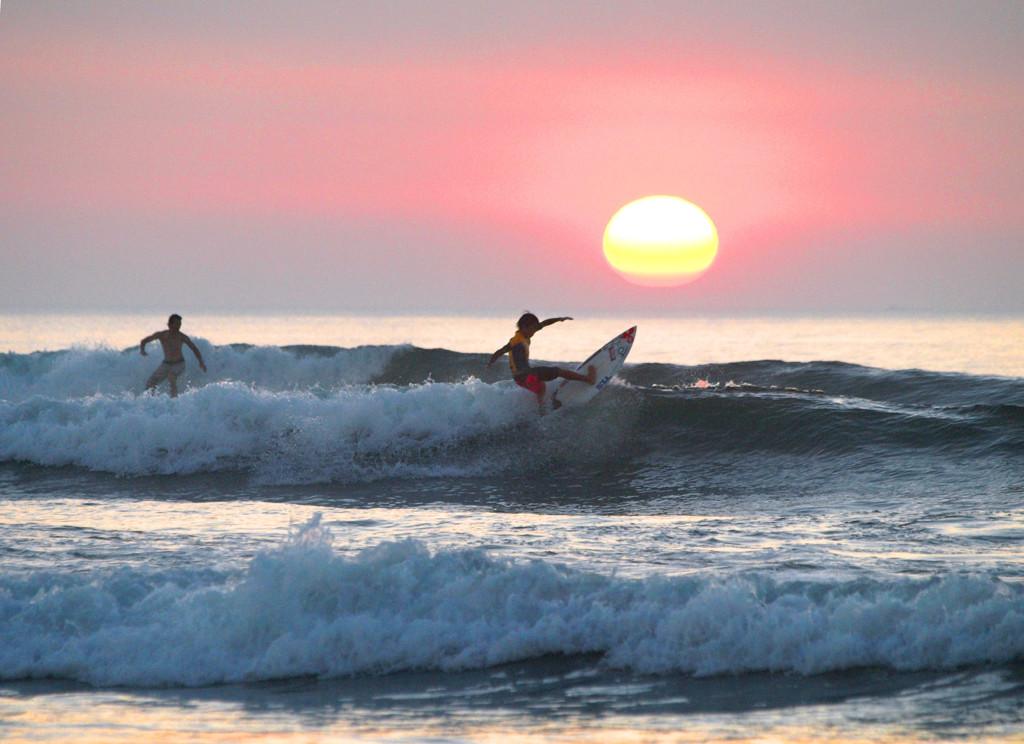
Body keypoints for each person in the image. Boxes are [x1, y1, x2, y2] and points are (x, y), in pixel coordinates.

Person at [487, 312, 595, 410]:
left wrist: (559, 319)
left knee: (541, 387)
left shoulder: (525, 333)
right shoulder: (516, 340)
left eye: (535, 328)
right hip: (526, 374)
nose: (534, 331)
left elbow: (544, 323)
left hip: (520, 379)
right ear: (525, 327)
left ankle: (543, 409)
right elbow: (501, 351)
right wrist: (491, 362)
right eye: (533, 328)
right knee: (559, 371)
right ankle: (587, 379)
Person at [140, 314, 206, 397]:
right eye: (176, 325)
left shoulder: (181, 337)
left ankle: (174, 401)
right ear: (169, 325)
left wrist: (201, 362)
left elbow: (194, 348)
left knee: (172, 376)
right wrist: (143, 350)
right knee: (150, 383)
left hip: (179, 363)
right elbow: (144, 341)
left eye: (179, 325)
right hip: (166, 364)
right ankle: (151, 402)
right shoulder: (162, 335)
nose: (178, 327)